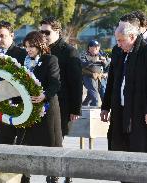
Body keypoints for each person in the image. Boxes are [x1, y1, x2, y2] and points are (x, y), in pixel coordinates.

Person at [100, 21, 147, 153]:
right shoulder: (119, 52)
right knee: (119, 150)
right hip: (120, 111)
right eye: (117, 40)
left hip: (141, 112)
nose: (118, 44)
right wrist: (105, 106)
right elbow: (112, 81)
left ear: (132, 37)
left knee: (142, 150)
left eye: (121, 40)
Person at [39, 16, 82, 183]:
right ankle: (58, 172)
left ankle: (58, 173)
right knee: (50, 141)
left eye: (46, 32)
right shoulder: (42, 50)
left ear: (57, 31)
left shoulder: (69, 51)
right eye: (40, 31)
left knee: (56, 140)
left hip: (63, 105)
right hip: (44, 104)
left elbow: (76, 82)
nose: (43, 35)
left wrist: (75, 109)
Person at [20, 31, 62, 183]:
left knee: (50, 144)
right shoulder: (22, 61)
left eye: (31, 46)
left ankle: (53, 176)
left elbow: (55, 83)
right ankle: (25, 177)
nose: (28, 50)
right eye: (26, 47)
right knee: (25, 145)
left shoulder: (50, 59)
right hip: (29, 110)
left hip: (47, 108)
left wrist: (44, 95)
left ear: (40, 45)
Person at [0, 20, 27, 144]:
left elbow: (25, 81)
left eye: (2, 36)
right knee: (3, 143)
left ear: (12, 35)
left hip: (17, 106)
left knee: (19, 144)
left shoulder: (22, 54)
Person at [80, 40, 110, 106]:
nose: (96, 48)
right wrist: (92, 61)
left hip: (100, 76)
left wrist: (105, 62)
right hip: (88, 76)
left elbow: (108, 67)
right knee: (94, 95)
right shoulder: (84, 55)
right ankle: (94, 110)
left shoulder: (102, 54)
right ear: (89, 48)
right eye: (94, 47)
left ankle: (105, 109)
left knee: (103, 93)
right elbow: (82, 65)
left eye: (98, 47)